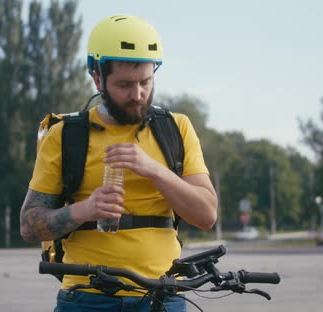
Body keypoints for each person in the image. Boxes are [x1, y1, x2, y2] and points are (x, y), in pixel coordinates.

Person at [20, 15, 217, 312]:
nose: (137, 95)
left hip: (162, 294)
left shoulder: (177, 128)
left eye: (146, 82)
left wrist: (154, 170)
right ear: (97, 77)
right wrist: (85, 209)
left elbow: (206, 215)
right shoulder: (65, 135)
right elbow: (28, 226)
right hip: (87, 296)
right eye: (125, 84)